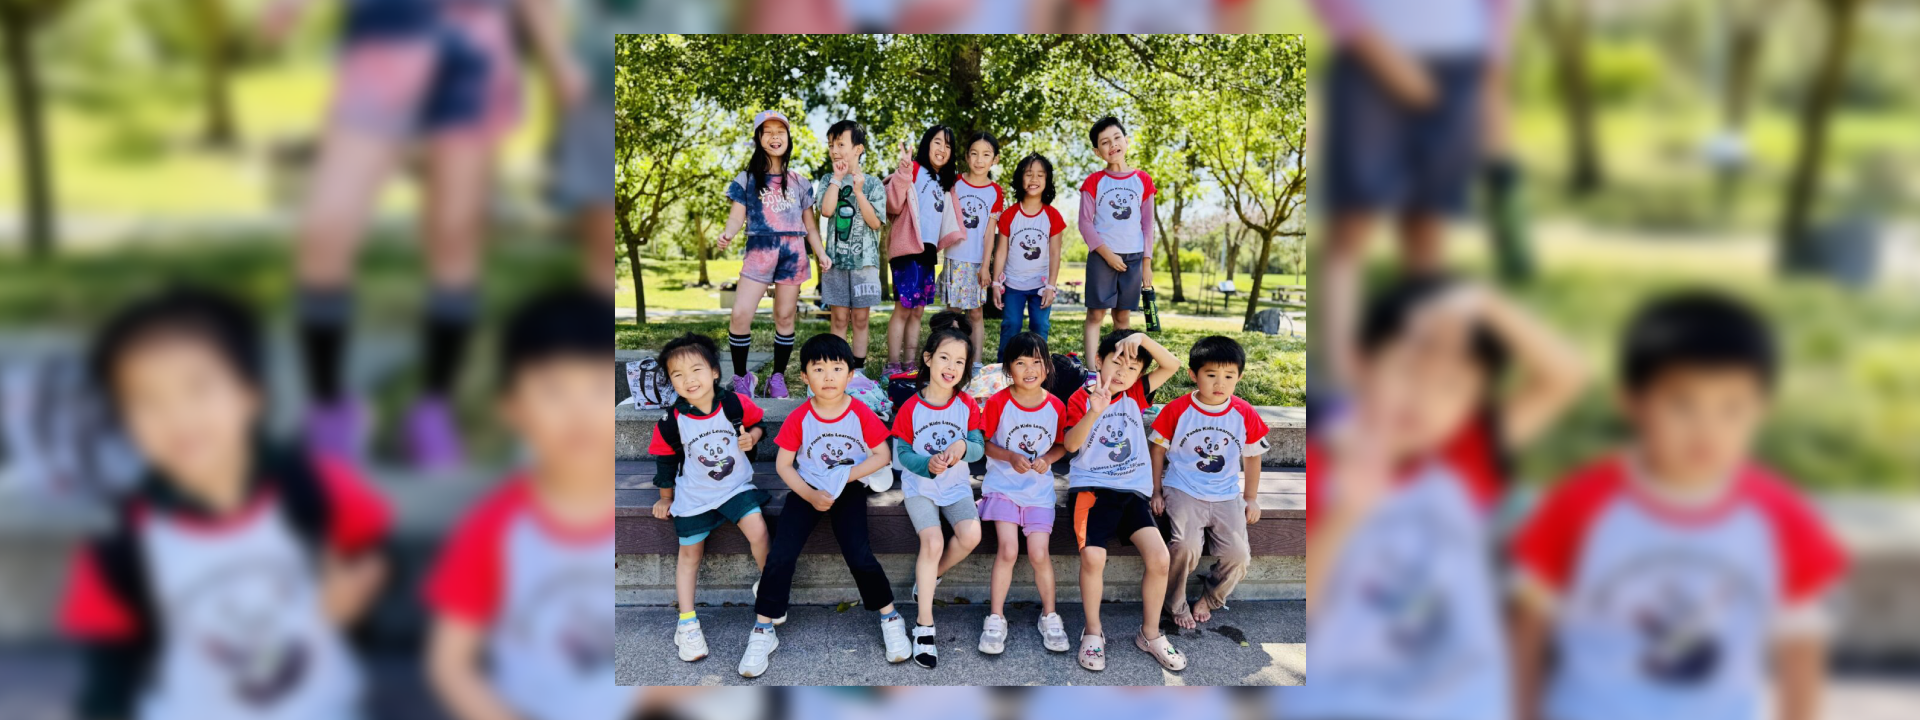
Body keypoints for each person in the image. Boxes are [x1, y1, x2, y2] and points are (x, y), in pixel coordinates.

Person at [263, 0, 584, 469]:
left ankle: (432, 408)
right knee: (326, 231)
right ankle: (331, 410)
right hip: (385, 39)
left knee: (455, 240)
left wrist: (557, 57)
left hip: (473, 53)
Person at [1509, 292, 1846, 720]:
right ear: (1630, 402)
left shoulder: (1783, 515)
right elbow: (1528, 623)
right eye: (1681, 405)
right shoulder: (1579, 503)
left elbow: (1802, 644)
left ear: (1764, 410)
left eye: (1732, 408)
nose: (1707, 429)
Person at [63, 287, 390, 720]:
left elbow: (376, 547)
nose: (178, 416)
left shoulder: (317, 486)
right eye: (146, 401)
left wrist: (365, 579)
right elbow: (107, 673)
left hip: (324, 706)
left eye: (198, 390)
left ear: (252, 395)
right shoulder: (120, 539)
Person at [1281, 277, 1585, 720]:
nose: (1423, 397)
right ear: (1364, 365)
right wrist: (1347, 514)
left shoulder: (1468, 453)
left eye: (1451, 387)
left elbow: (1566, 376)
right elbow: (1307, 605)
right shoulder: (1323, 462)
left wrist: (1483, 302)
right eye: (1409, 369)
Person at [1307, 0, 1516, 390]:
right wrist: (1377, 51)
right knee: (1352, 225)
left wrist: (1495, 62)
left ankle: (1421, 373)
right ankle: (1339, 380)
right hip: (1369, 55)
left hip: (1461, 63)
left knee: (1428, 227)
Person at [741, 334, 909, 677]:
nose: (829, 376)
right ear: (804, 377)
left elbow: (882, 455)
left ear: (850, 375)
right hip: (807, 489)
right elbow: (784, 465)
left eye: (837, 368)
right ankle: (763, 629)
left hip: (847, 489)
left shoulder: (859, 412)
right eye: (819, 369)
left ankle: (890, 616)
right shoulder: (800, 417)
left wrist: (844, 478)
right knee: (781, 554)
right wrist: (810, 494)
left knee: (859, 554)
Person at [1060, 329, 1183, 672]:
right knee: (1094, 557)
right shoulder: (1080, 399)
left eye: (1131, 368)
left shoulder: (1136, 394)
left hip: (1132, 493)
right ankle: (1093, 632)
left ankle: (1150, 633)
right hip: (1091, 492)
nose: (1121, 372)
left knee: (1160, 558)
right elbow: (1070, 445)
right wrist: (1094, 411)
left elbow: (1171, 364)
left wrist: (1141, 339)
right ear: (1098, 361)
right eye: (1115, 362)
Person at [645, 334, 772, 663]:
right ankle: (687, 622)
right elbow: (665, 460)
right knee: (690, 554)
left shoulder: (734, 404)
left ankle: (771, 588)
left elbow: (760, 424)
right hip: (695, 494)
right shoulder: (672, 421)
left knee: (758, 529)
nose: (688, 380)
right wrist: (665, 496)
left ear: (715, 372)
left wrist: (752, 437)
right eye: (677, 374)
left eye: (696, 370)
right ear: (671, 381)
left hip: (735, 487)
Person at [1149, 335, 1269, 630]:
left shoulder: (1244, 413)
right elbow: (1157, 450)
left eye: (1229, 376)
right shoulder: (1177, 410)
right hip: (1183, 489)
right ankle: (1174, 601)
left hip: (1226, 493)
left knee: (1238, 555)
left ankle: (1210, 598)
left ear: (1239, 377)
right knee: (1186, 546)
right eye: (1211, 375)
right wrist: (1156, 490)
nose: (1220, 383)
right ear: (1194, 375)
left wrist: (1251, 497)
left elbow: (1253, 456)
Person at [890, 325, 986, 669]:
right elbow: (901, 455)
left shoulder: (967, 405)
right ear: (928, 359)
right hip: (921, 487)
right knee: (931, 543)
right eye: (944, 357)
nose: (951, 366)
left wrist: (963, 446)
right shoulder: (910, 408)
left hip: (957, 487)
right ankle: (924, 625)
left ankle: (928, 579)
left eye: (960, 361)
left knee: (971, 534)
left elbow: (978, 448)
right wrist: (927, 464)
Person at [715, 110, 829, 399]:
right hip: (759, 251)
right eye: (768, 131)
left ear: (789, 138)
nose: (775, 136)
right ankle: (742, 378)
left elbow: (810, 227)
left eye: (781, 131)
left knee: (785, 315)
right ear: (759, 138)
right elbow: (736, 217)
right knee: (740, 314)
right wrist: (727, 233)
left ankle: (777, 378)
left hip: (792, 253)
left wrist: (821, 253)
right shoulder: (747, 179)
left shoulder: (800, 182)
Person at [976, 331, 1073, 656]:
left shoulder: (1056, 406)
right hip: (1003, 488)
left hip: (1038, 493)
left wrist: (1047, 459)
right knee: (1007, 550)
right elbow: (984, 443)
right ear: (1008, 369)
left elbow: (1062, 445)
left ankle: (1050, 615)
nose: (1030, 369)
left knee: (1039, 554)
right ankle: (996, 617)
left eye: (1037, 361)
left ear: (1047, 366)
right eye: (1021, 363)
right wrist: (1009, 457)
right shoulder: (998, 402)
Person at [884, 125, 966, 377]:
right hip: (908, 249)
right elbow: (892, 203)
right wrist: (903, 171)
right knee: (903, 308)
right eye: (937, 142)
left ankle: (909, 364)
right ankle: (892, 366)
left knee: (918, 310)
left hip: (928, 252)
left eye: (948, 145)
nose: (942, 149)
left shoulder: (944, 181)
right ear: (927, 145)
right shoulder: (915, 170)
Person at [1077, 117, 1157, 362]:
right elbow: (1084, 223)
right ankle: (1091, 370)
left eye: (1116, 138)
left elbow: (1147, 225)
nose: (1112, 145)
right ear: (1097, 151)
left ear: (1126, 140)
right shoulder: (1094, 182)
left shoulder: (1143, 180)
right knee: (1096, 315)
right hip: (1102, 257)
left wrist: (1146, 263)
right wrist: (1107, 254)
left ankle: (1118, 366)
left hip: (1133, 258)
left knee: (1122, 317)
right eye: (1104, 142)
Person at [813, 120, 888, 377]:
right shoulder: (827, 180)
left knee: (860, 319)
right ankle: (837, 369)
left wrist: (858, 191)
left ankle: (859, 370)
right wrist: (836, 179)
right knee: (839, 319)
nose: (835, 150)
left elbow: (875, 223)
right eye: (831, 145)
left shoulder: (873, 183)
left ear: (858, 149)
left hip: (865, 265)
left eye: (841, 144)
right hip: (836, 263)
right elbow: (826, 210)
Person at [991, 153, 1066, 363]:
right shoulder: (1009, 215)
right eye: (1029, 174)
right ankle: (1002, 368)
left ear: (1047, 180)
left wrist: (1051, 286)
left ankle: (1039, 367)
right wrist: (996, 282)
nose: (1034, 179)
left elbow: (1054, 254)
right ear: (1020, 179)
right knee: (1011, 325)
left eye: (1040, 175)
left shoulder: (1053, 216)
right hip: (1013, 284)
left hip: (1040, 285)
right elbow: (1001, 251)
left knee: (1040, 326)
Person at [947, 132, 1004, 369]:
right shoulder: (955, 183)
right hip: (953, 257)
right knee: (952, 313)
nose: (980, 160)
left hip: (976, 261)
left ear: (995, 159)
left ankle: (976, 362)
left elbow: (990, 232)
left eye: (986, 155)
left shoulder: (995, 192)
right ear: (967, 157)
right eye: (974, 154)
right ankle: (949, 357)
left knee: (976, 313)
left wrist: (985, 265)